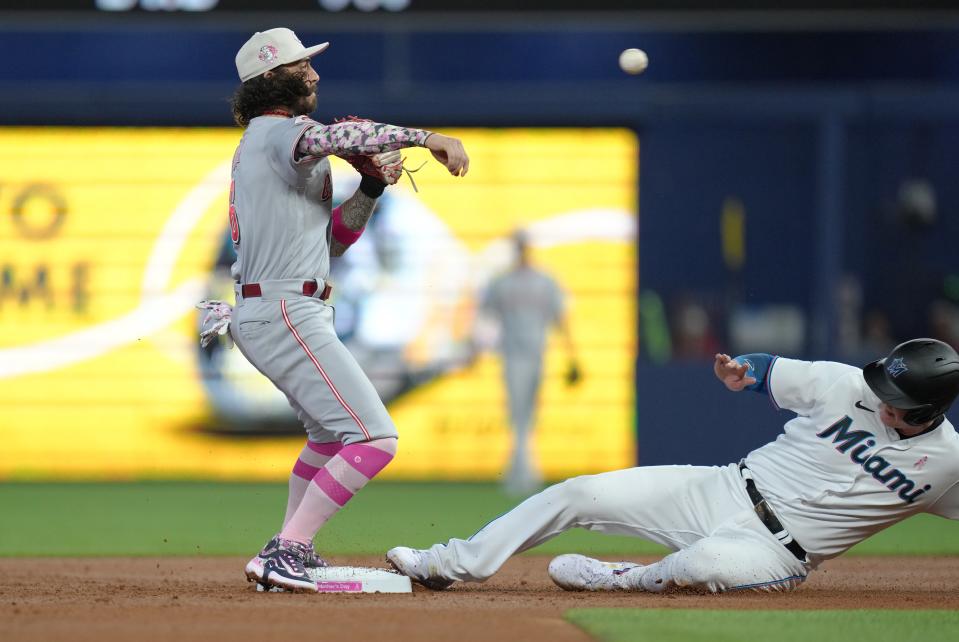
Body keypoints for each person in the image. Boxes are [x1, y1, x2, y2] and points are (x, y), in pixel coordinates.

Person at [386, 338, 959, 593]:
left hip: (776, 551)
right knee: (578, 493)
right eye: (884, 383)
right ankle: (449, 564)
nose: (882, 397)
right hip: (722, 489)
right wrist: (742, 372)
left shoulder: (947, 465)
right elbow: (768, 369)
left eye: (898, 398)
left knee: (704, 563)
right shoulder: (845, 384)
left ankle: (619, 581)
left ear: (931, 409)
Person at [224, 28, 469, 592]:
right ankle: (288, 548)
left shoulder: (271, 145)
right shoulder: (278, 134)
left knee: (330, 438)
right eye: (300, 65)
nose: (312, 73)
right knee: (374, 438)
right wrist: (426, 137)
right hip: (284, 309)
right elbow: (343, 133)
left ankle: (291, 550)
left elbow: (331, 243)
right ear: (269, 79)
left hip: (282, 303)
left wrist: (370, 189)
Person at [477, 230, 579, 495]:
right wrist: (478, 349)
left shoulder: (544, 281)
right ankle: (523, 473)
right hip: (512, 353)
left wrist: (572, 356)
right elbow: (485, 317)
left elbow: (560, 318)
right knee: (517, 414)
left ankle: (522, 471)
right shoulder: (503, 282)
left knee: (528, 414)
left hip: (536, 353)